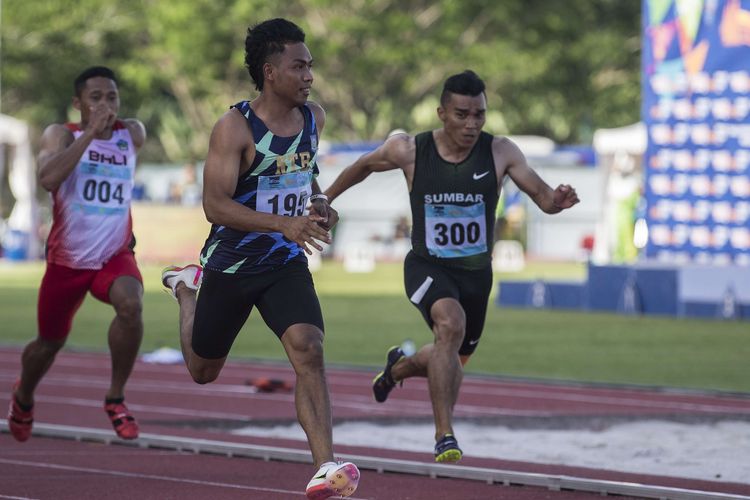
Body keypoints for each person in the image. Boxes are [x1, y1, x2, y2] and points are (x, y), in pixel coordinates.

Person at [324, 70, 580, 463]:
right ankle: (444, 433)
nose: (471, 124)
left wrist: (558, 200)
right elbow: (364, 165)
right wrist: (325, 199)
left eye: (479, 114)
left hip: (476, 276)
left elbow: (543, 196)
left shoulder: (501, 152)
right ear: (442, 113)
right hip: (427, 266)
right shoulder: (409, 150)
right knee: (450, 325)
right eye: (462, 114)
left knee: (450, 358)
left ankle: (397, 369)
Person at [160, 19, 359, 500]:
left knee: (309, 347)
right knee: (203, 371)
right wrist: (282, 224)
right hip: (231, 266)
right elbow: (215, 205)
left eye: (311, 65)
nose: (310, 75)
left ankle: (324, 467)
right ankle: (187, 290)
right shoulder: (234, 127)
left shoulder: (315, 118)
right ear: (271, 72)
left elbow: (304, 177)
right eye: (300, 66)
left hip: (285, 263)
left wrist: (318, 207)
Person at [8, 66, 146, 442]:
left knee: (131, 305)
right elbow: (48, 179)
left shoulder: (131, 134)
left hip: (112, 255)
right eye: (96, 97)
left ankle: (115, 397)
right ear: (78, 103)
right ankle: (23, 396)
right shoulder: (61, 135)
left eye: (112, 97)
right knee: (48, 343)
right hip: (67, 261)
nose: (106, 104)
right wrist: (88, 135)